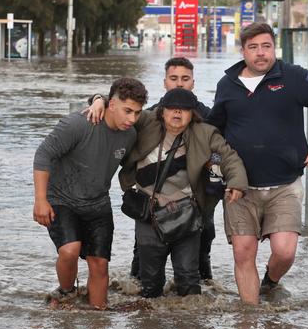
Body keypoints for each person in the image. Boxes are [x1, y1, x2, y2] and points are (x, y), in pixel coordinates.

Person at [208, 22, 308, 304]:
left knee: (285, 252)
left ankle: (270, 282)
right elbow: (214, 131)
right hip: (240, 188)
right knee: (243, 253)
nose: (261, 53)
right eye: (253, 47)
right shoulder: (227, 85)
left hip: (284, 185)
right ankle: (248, 321)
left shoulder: (292, 77)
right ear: (243, 51)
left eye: (266, 46)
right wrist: (215, 167)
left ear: (274, 48)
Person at [89, 57, 220, 281]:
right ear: (165, 82)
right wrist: (98, 99)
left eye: (185, 79)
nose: (179, 84)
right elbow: (120, 107)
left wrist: (215, 166)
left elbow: (223, 146)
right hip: (153, 200)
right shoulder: (148, 115)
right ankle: (138, 286)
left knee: (202, 243)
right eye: (174, 78)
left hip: (195, 199)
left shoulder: (207, 117)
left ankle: (202, 286)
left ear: (193, 82)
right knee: (144, 250)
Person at [118, 88, 247, 298]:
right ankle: (148, 328)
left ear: (192, 113)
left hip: (186, 212)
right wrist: (98, 101)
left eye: (184, 110)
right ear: (162, 111)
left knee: (188, 279)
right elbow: (120, 108)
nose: (177, 113)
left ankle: (190, 328)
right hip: (148, 212)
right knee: (150, 283)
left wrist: (237, 183)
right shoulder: (146, 121)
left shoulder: (205, 133)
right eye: (172, 109)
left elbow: (229, 158)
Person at [33, 77, 148, 309]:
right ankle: (66, 292)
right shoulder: (78, 124)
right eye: (128, 111)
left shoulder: (130, 135)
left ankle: (98, 318)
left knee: (99, 264)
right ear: (111, 105)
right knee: (70, 250)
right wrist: (40, 200)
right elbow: (43, 155)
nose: (132, 119)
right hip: (61, 198)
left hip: (97, 203)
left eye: (137, 113)